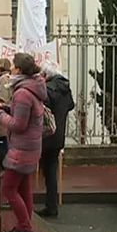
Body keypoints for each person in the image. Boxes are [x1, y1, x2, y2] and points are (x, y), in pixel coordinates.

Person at [0, 53, 47, 232]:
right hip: (30, 147)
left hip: (21, 149)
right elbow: (21, 114)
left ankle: (26, 228)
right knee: (24, 189)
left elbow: (18, 125)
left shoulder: (22, 93)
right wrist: (6, 108)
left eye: (14, 66)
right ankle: (24, 226)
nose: (11, 69)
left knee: (8, 189)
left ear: (20, 70)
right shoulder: (31, 88)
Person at [37, 62, 75, 218]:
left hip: (47, 135)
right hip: (59, 135)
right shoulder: (66, 88)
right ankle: (51, 204)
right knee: (51, 169)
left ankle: (50, 205)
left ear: (46, 75)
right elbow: (71, 106)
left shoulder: (47, 90)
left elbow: (43, 112)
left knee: (47, 171)